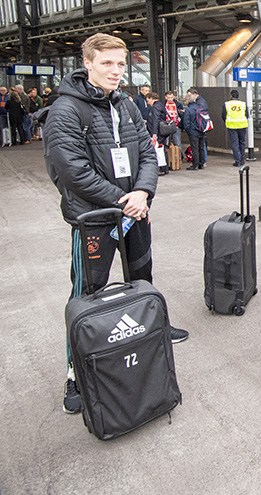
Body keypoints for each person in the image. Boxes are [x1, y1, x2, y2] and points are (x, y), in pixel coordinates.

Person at [43, 33, 189, 415]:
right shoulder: (66, 110)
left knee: (142, 274)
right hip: (95, 220)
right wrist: (124, 201)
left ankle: (154, 329)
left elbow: (147, 152)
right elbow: (73, 171)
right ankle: (75, 371)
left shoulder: (125, 104)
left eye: (121, 64)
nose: (115, 71)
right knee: (86, 292)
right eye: (107, 63)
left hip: (134, 212)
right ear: (87, 63)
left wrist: (142, 192)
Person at [183, 87, 209, 170]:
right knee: (201, 147)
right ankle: (201, 163)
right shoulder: (199, 108)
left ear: (187, 101)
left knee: (195, 148)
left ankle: (195, 165)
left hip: (193, 132)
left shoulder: (188, 110)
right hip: (201, 130)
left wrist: (188, 130)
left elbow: (186, 122)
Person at [223, 89, 248, 167]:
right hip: (242, 125)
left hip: (232, 126)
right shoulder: (243, 104)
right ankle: (242, 160)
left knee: (235, 143)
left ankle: (237, 161)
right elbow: (247, 115)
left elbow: (223, 116)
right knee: (242, 142)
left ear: (231, 96)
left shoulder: (227, 104)